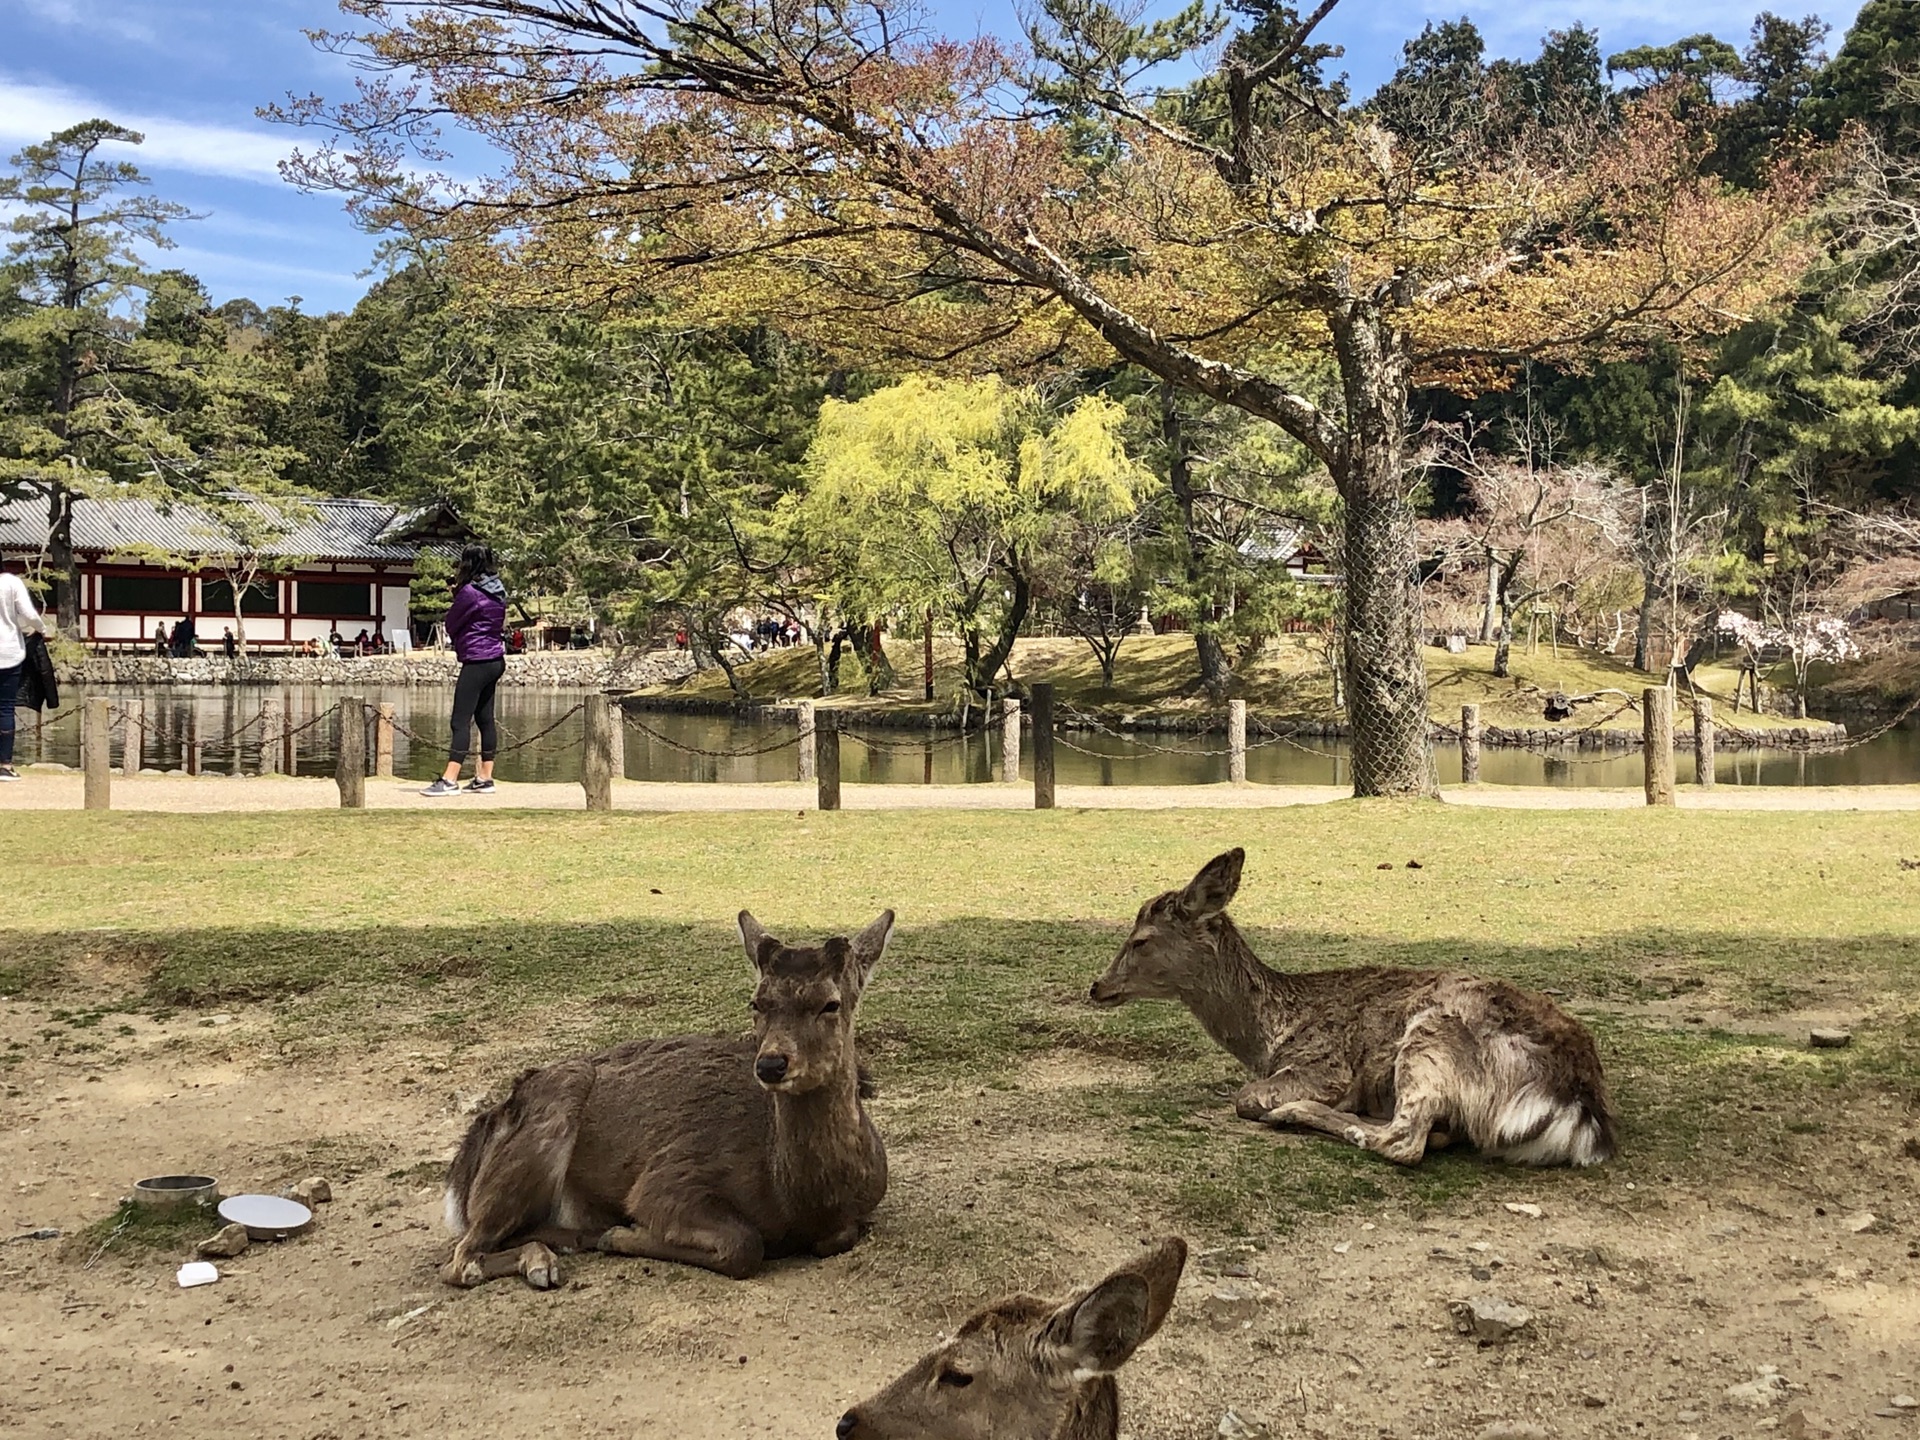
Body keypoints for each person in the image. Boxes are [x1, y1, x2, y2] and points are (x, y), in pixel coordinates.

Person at [421, 542, 508, 797]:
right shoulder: (498, 590)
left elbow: (451, 623)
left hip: (477, 659)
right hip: (495, 659)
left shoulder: (470, 592)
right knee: (485, 719)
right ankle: (485, 777)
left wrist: (456, 595)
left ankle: (449, 779)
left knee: (460, 720)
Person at [0, 563, 47, 782]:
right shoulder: (11, 583)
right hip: (9, 653)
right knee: (5, 709)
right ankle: (5, 765)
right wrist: (41, 628)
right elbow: (28, 614)